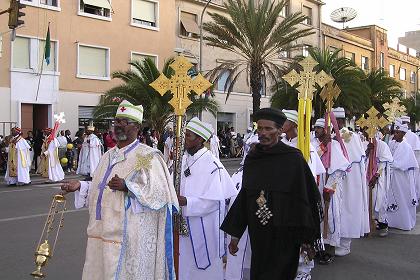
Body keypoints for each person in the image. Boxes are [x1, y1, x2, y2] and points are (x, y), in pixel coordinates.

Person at [60, 100, 179, 280]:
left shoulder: (147, 157)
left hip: (128, 235)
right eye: (117, 121)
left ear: (137, 127)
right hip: (99, 232)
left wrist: (128, 187)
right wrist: (82, 186)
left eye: (125, 122)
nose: (119, 126)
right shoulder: (108, 155)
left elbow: (159, 194)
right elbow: (101, 187)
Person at [221, 108, 323, 280]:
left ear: (279, 130)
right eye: (260, 128)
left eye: (268, 129)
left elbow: (304, 199)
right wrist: (235, 236)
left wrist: (307, 239)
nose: (263, 133)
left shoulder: (293, 159)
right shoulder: (253, 158)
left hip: (286, 235)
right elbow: (245, 197)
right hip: (259, 234)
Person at [178, 117, 238, 280]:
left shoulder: (212, 165)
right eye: (184, 135)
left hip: (204, 227)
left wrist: (187, 202)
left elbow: (214, 202)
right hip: (181, 223)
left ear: (200, 139)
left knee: (203, 270)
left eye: (188, 136)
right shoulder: (182, 160)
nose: (184, 139)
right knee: (183, 264)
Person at [281, 110, 325, 279]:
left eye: (285, 121)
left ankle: (303, 272)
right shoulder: (282, 142)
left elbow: (310, 174)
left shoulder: (306, 146)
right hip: (283, 197)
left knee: (302, 232)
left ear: (293, 123)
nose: (282, 124)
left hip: (300, 196)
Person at [332, 107, 369, 256]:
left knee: (347, 208)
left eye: (334, 121)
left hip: (349, 180)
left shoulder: (349, 136)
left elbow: (353, 159)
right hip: (335, 178)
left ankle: (345, 243)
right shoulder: (332, 135)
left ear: (340, 121)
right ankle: (333, 240)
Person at [312, 118, 349, 264]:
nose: (317, 130)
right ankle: (317, 247)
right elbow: (312, 159)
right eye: (315, 127)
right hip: (316, 185)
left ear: (326, 129)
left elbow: (340, 169)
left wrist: (329, 187)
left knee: (331, 216)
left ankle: (329, 249)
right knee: (317, 217)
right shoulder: (314, 144)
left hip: (330, 186)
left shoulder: (335, 145)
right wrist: (323, 146)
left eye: (320, 128)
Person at [386, 121, 418, 230]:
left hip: (401, 178)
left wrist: (390, 163)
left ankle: (404, 222)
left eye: (398, 132)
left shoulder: (407, 147)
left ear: (403, 133)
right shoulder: (390, 143)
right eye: (395, 132)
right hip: (391, 177)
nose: (395, 134)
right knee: (390, 198)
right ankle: (390, 222)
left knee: (402, 199)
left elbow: (403, 163)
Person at [363, 132, 393, 237]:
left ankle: (383, 224)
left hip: (378, 178)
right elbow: (360, 159)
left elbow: (384, 162)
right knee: (367, 200)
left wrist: (376, 175)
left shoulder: (382, 145)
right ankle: (368, 225)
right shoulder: (363, 144)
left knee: (379, 199)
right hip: (366, 177)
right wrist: (367, 150)